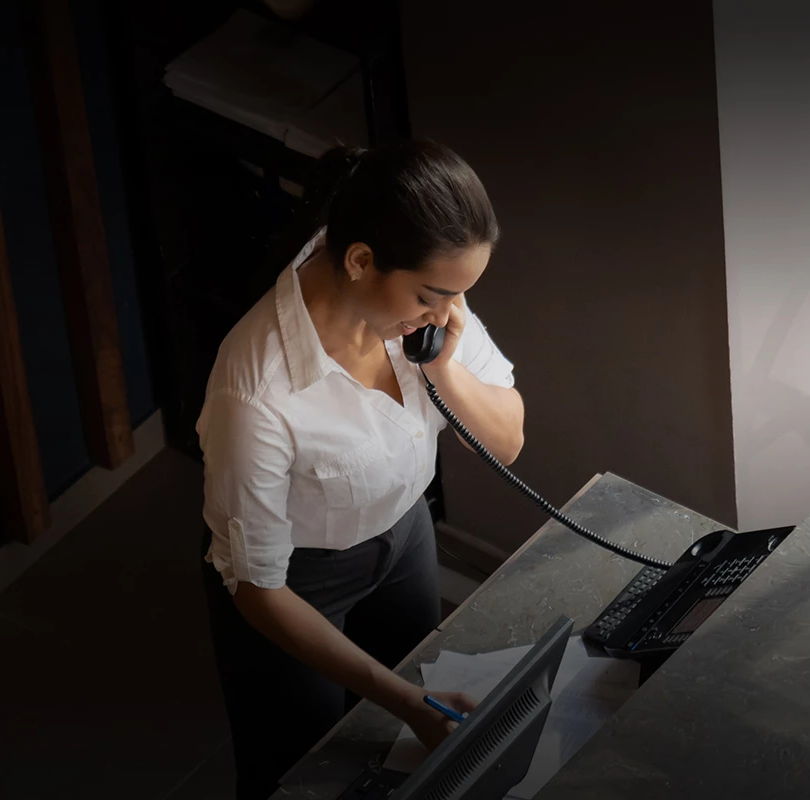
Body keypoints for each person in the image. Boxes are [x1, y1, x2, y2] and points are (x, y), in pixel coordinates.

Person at [197, 139, 525, 799]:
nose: (446, 314)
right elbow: (258, 588)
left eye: (458, 296)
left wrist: (441, 368)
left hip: (403, 539)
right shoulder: (256, 393)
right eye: (433, 296)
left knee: (409, 740)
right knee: (298, 773)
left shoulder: (426, 310)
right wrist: (399, 698)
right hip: (296, 584)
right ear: (359, 262)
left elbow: (508, 439)